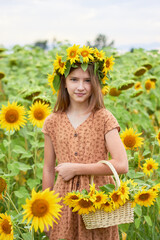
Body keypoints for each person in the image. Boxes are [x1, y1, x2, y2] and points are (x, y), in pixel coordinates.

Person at [42, 45, 128, 240]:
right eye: (74, 79)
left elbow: (122, 165)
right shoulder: (52, 121)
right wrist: (45, 211)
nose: (80, 87)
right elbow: (48, 169)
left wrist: (77, 169)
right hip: (63, 201)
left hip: (97, 200)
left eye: (87, 81)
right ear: (63, 82)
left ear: (95, 84)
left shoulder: (104, 118)